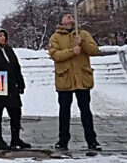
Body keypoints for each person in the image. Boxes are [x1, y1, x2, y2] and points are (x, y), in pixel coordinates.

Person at [48, 13, 101, 151]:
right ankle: (63, 140)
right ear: (61, 21)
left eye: (71, 15)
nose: (70, 17)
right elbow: (55, 55)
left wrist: (82, 42)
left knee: (86, 111)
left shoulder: (83, 34)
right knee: (64, 112)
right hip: (65, 79)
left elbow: (94, 50)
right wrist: (72, 50)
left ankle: (92, 140)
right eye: (66, 16)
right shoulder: (55, 37)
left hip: (82, 79)